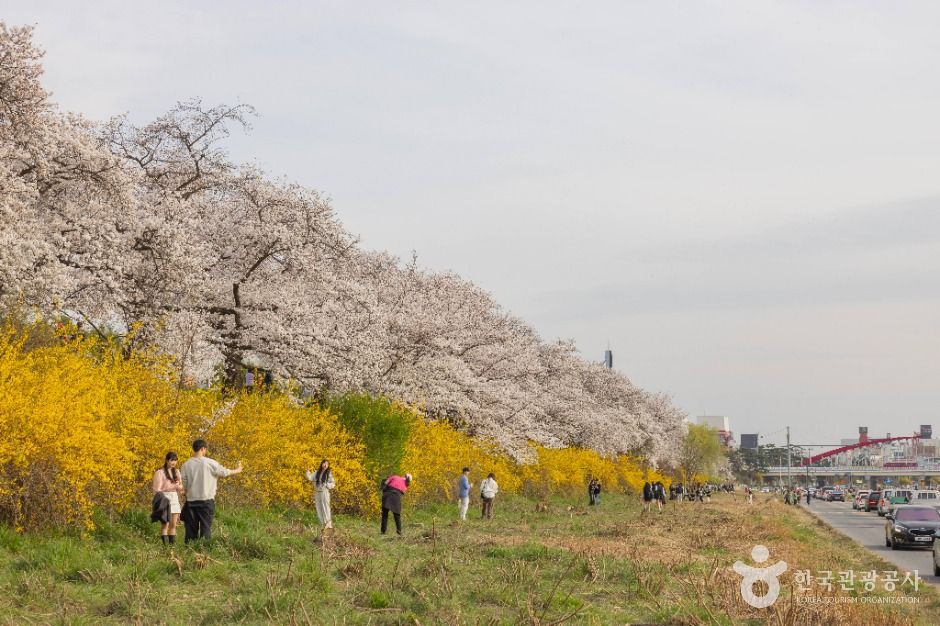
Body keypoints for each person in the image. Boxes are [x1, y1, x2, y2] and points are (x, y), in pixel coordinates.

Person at [180, 439, 243, 543]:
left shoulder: (186, 465)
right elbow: (224, 472)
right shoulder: (210, 462)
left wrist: (186, 492)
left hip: (191, 501)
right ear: (203, 448)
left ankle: (190, 550)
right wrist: (237, 470)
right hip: (206, 500)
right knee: (205, 528)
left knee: (191, 529)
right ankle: (204, 550)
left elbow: (184, 483)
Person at [151, 452, 185, 545]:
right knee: (165, 524)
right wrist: (172, 487)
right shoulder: (160, 472)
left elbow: (180, 486)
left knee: (173, 524)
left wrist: (184, 489)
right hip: (164, 499)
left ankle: (172, 547)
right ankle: (165, 547)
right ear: (166, 460)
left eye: (175, 460)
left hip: (174, 498)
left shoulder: (177, 472)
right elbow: (157, 489)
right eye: (171, 460)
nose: (173, 462)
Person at [305, 459, 336, 529]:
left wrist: (327, 485)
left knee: (325, 508)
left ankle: (328, 525)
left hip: (324, 493)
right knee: (319, 508)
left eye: (327, 464)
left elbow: (333, 483)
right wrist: (307, 471)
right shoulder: (317, 472)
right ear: (321, 464)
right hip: (317, 493)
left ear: (328, 466)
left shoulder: (329, 474)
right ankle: (323, 524)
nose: (325, 465)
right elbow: (310, 478)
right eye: (324, 463)